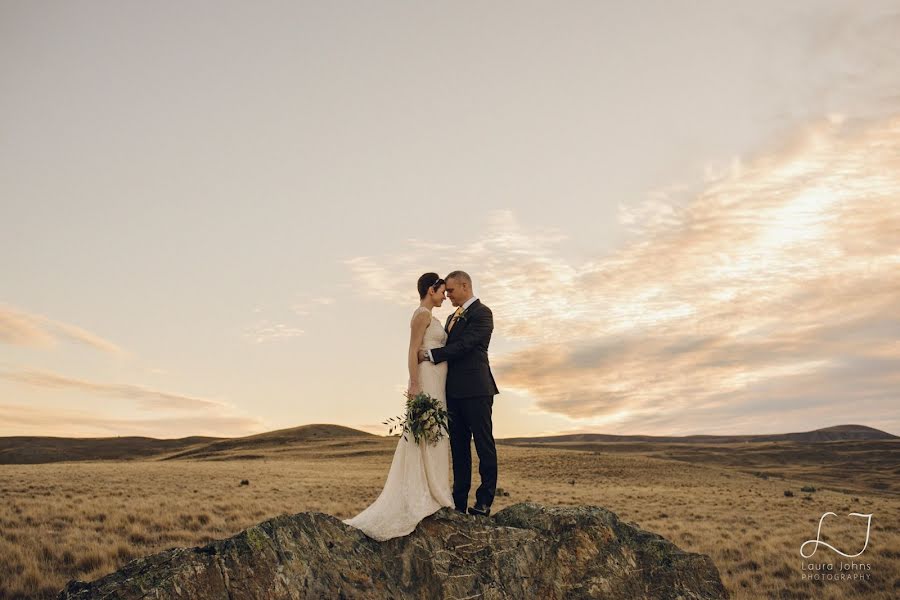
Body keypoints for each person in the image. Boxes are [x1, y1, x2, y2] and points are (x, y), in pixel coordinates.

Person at [342, 272, 454, 540]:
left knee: (436, 431)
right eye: (441, 291)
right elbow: (411, 350)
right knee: (428, 431)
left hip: (438, 380)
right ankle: (429, 492)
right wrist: (415, 384)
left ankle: (435, 489)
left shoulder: (432, 316)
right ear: (431, 289)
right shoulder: (421, 316)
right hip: (426, 379)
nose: (445, 296)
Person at [418, 270, 499, 517]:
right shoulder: (452, 317)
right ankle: (459, 501)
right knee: (459, 447)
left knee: (484, 444)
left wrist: (432, 355)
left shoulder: (483, 313)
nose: (448, 295)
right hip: (452, 393)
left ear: (465, 286)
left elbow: (466, 345)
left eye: (451, 290)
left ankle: (484, 501)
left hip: (476, 390)